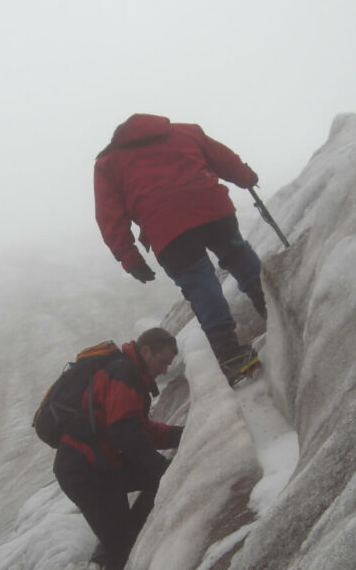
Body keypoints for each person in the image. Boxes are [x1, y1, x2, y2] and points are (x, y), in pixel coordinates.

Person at [94, 113, 267, 384]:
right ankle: (272, 305)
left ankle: (232, 355)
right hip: (212, 208)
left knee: (200, 282)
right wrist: (245, 176)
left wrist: (130, 258)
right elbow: (222, 157)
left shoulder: (109, 164)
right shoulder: (185, 132)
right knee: (238, 255)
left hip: (167, 228)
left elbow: (109, 217)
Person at [53, 327, 183, 570]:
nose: (165, 370)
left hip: (99, 465)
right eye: (163, 362)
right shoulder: (124, 373)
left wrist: (177, 436)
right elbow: (125, 431)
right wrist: (162, 469)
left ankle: (117, 541)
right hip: (85, 471)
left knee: (152, 484)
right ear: (147, 350)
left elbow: (139, 428)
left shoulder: (131, 376)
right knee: (121, 551)